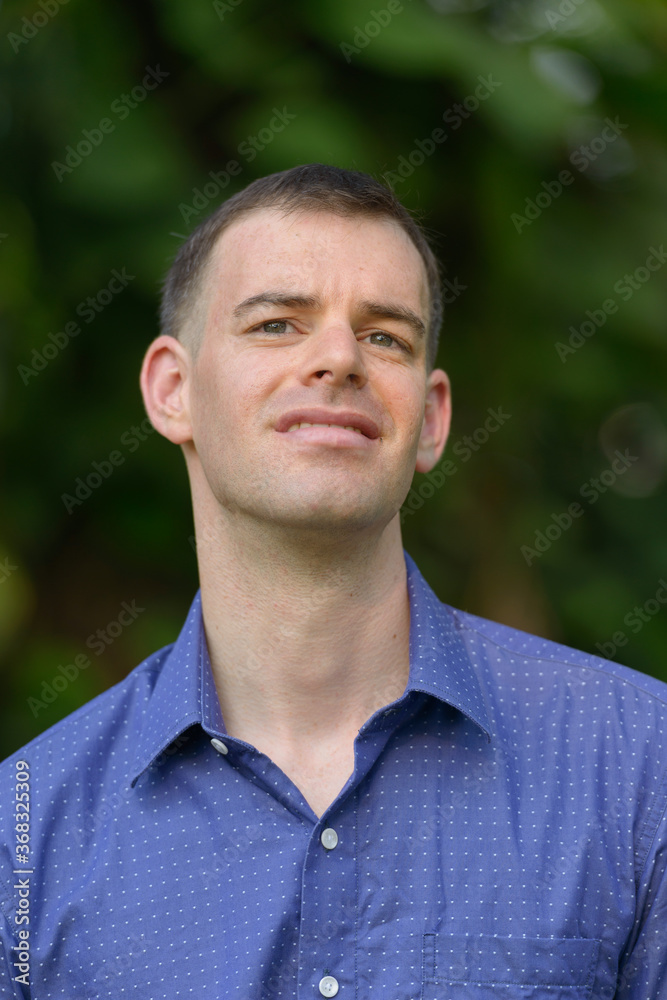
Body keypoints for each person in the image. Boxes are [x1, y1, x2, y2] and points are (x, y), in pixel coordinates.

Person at [1, 164, 665, 999]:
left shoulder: (637, 767)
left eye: (385, 337)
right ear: (173, 390)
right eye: (277, 324)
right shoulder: (26, 833)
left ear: (430, 419)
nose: (339, 358)